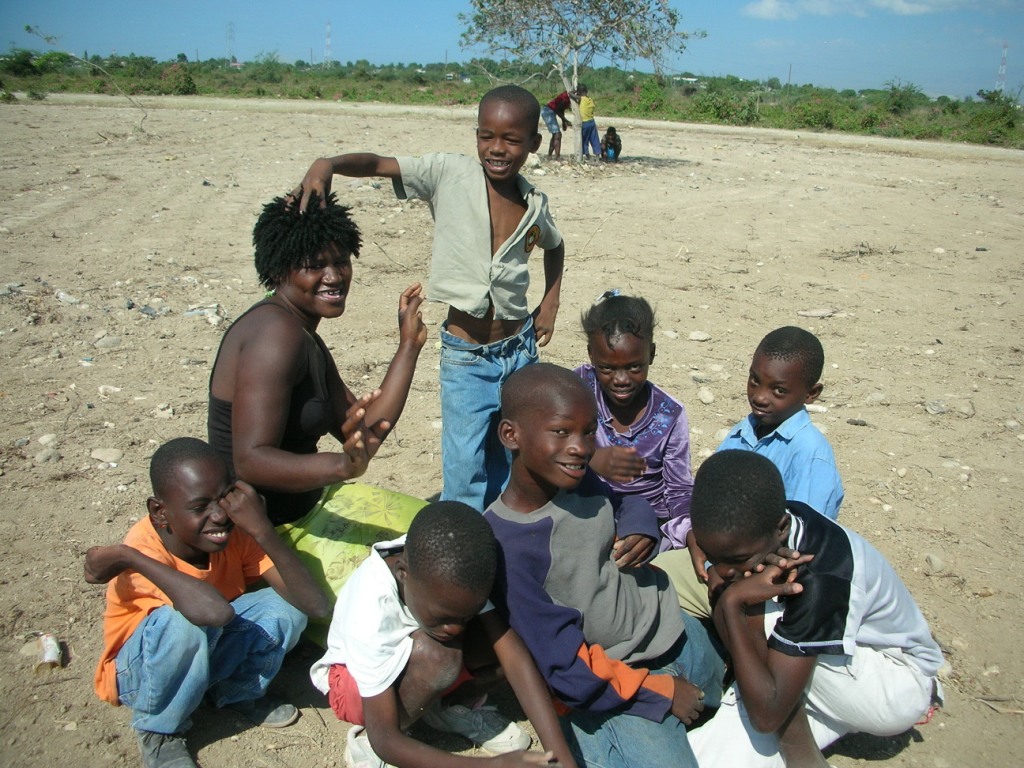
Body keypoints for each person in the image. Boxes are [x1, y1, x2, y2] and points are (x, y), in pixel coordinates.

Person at [296, 85, 566, 514]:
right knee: (466, 468)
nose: (496, 149)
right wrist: (327, 164)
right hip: (468, 361)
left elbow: (554, 245)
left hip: (520, 350)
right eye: (486, 136)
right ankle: (468, 552)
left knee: (517, 458)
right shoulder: (448, 174)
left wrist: (549, 304)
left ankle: (511, 543)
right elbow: (381, 164)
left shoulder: (534, 203)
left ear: (534, 142)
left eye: (511, 140)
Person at [207, 190, 429, 641]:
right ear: (280, 268)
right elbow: (250, 459)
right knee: (415, 593)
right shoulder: (275, 336)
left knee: (436, 536)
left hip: (311, 505)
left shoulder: (302, 333)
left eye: (341, 261)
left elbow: (363, 427)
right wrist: (341, 466)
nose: (334, 276)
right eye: (315, 265)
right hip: (271, 535)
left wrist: (409, 345)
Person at [484, 363, 725, 768]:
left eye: (588, 430)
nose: (581, 447)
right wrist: (662, 691)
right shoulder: (507, 546)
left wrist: (640, 526)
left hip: (671, 628)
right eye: (561, 431)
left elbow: (626, 500)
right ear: (511, 435)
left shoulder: (575, 478)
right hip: (617, 682)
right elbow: (565, 670)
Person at [687, 450, 944, 768]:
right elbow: (720, 549)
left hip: (894, 684)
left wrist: (732, 604)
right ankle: (776, 704)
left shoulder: (817, 574)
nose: (722, 569)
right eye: (715, 555)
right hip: (831, 678)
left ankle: (800, 752)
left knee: (755, 614)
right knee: (705, 758)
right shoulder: (762, 532)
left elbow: (767, 717)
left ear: (781, 528)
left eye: (736, 560)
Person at [86, 437, 330, 768]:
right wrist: (130, 557)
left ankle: (234, 692)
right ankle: (159, 731)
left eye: (225, 498)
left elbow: (315, 606)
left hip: (206, 645)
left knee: (285, 609)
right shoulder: (143, 548)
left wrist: (262, 530)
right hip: (143, 674)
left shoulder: (236, 532)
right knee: (183, 623)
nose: (218, 516)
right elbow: (213, 613)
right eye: (200, 507)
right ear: (160, 512)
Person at [310, 501, 579, 768]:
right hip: (355, 688)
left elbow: (514, 658)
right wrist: (493, 766)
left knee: (512, 631)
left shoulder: (454, 569)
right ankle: (367, 742)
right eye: (444, 618)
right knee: (438, 657)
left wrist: (559, 754)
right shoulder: (370, 606)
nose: (456, 628)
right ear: (403, 574)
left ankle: (448, 708)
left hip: (417, 665)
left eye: (464, 616)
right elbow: (385, 739)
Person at [661, 325, 845, 619]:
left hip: (765, 579)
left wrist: (727, 571)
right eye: (754, 381)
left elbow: (800, 546)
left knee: (656, 586)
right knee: (650, 576)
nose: (760, 397)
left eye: (779, 390)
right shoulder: (743, 432)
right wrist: (698, 540)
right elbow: (712, 504)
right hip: (724, 560)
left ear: (811, 393)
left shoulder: (809, 455)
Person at [574, 290, 693, 552]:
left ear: (650, 354)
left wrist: (690, 534)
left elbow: (679, 490)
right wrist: (592, 458)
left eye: (634, 367)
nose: (621, 380)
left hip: (647, 522)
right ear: (591, 355)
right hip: (586, 506)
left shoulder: (669, 414)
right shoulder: (576, 389)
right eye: (607, 368)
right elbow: (546, 439)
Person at [540, 89, 574, 160]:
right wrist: (565, 120)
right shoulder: (566, 98)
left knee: (556, 135)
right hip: (548, 111)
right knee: (557, 135)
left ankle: (550, 156)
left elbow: (561, 109)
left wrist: (563, 122)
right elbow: (558, 109)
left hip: (550, 111)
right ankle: (557, 157)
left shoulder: (567, 97)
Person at [576, 86, 600, 159]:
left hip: (585, 122)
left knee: (584, 140)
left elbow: (570, 94)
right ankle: (597, 155)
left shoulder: (581, 99)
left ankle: (587, 155)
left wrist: (575, 91)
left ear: (579, 92)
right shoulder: (590, 99)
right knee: (594, 139)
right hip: (592, 121)